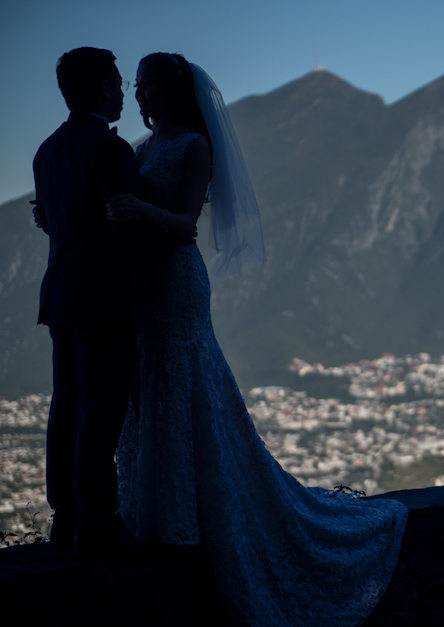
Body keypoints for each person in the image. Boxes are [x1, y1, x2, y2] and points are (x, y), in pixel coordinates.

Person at [107, 53, 408, 626]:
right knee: (155, 385)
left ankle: (183, 517)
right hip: (146, 292)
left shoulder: (194, 146)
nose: (138, 95)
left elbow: (184, 225)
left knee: (184, 381)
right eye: (135, 86)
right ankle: (163, 513)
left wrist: (140, 208)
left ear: (170, 91)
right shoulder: (142, 151)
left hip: (177, 286)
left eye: (146, 87)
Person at [33, 47, 152, 557]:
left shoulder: (48, 149)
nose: (125, 92)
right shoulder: (109, 149)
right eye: (120, 83)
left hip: (62, 294)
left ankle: (65, 515)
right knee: (101, 415)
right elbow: (126, 225)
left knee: (67, 405)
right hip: (105, 297)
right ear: (104, 87)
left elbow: (56, 220)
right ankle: (100, 522)